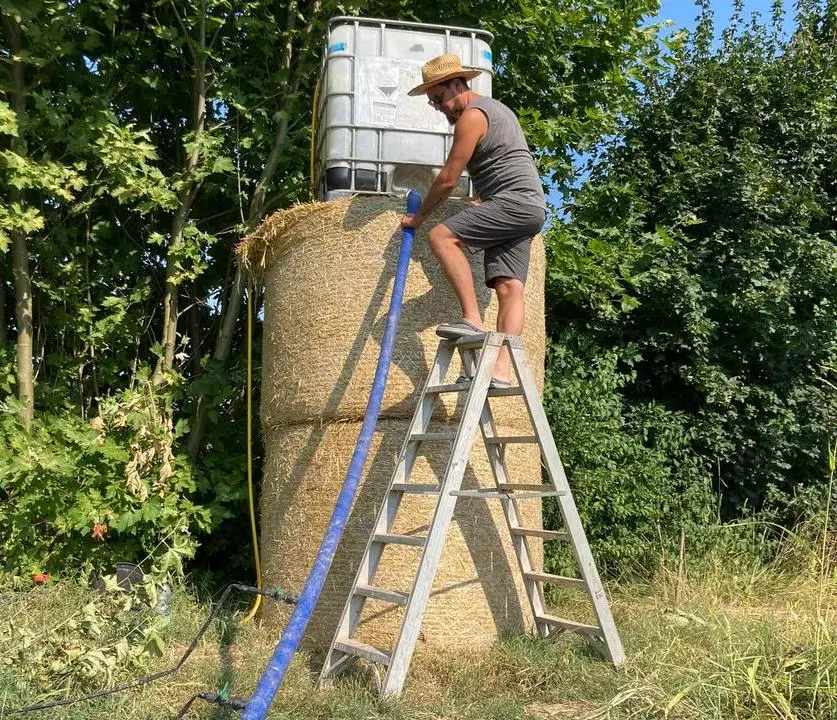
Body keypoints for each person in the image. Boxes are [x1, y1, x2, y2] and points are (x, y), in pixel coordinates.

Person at [400, 54, 546, 388]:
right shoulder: (498, 111)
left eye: (438, 98)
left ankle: (472, 320)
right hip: (529, 207)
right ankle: (501, 371)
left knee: (440, 237)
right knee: (509, 288)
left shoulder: (473, 115)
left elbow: (449, 177)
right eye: (433, 104)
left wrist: (418, 217)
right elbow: (506, 160)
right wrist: (483, 198)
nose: (439, 107)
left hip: (514, 202)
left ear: (457, 84)